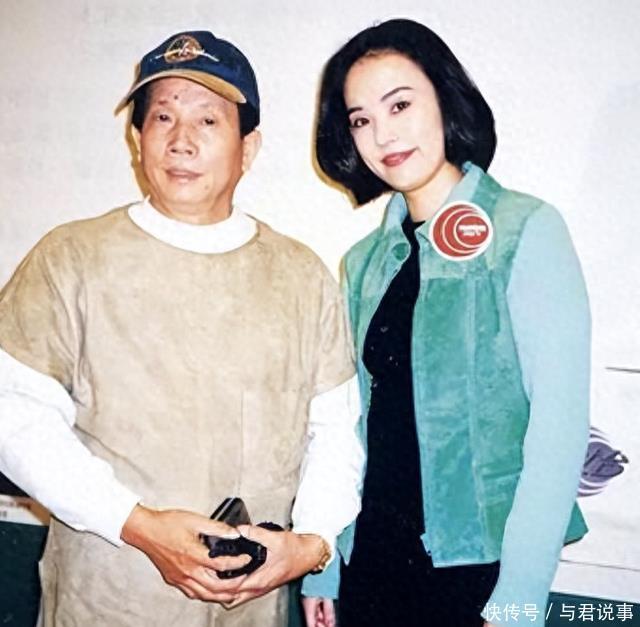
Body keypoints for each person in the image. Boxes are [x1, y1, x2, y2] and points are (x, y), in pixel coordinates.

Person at [0, 30, 364, 627]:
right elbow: (15, 416)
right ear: (137, 137)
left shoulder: (300, 276)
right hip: (107, 602)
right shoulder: (71, 259)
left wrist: (312, 543)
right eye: (162, 117)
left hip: (251, 610)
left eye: (208, 121)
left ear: (248, 148)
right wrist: (138, 525)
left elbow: (336, 432)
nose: (181, 140)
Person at [302, 18, 590, 627]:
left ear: (445, 99)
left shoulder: (524, 230)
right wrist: (323, 562)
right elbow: (346, 428)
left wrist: (517, 603)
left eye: (399, 105)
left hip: (480, 575)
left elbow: (558, 432)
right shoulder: (363, 262)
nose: (383, 134)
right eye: (360, 120)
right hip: (371, 563)